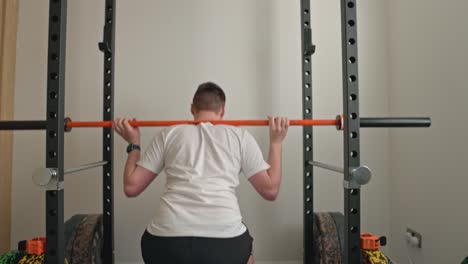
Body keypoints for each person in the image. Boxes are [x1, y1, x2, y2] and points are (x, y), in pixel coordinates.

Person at [113, 82, 289, 264]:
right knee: (247, 256)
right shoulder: (240, 136)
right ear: (222, 111)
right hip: (225, 246)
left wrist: (134, 143)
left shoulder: (169, 134)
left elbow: (131, 187)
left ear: (192, 109)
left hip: (165, 245)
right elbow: (270, 190)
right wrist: (276, 142)